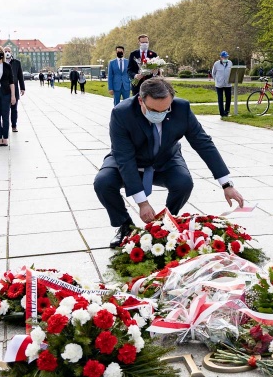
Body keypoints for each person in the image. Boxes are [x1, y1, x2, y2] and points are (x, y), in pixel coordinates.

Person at [94, 77, 244, 248]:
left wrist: (226, 184)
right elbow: (125, 159)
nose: (159, 115)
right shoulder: (122, 113)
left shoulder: (182, 108)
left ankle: (165, 223)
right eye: (153, 110)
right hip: (129, 160)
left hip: (165, 158)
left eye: (165, 110)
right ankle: (126, 227)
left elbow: (203, 143)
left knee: (183, 183)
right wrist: (142, 203)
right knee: (103, 182)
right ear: (140, 100)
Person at [3, 46, 25, 133]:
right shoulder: (0, 63)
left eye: (8, 51)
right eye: (5, 51)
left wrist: (22, 88)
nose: (7, 52)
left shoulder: (17, 63)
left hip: (14, 89)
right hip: (4, 89)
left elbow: (20, 76)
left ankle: (14, 126)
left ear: (11, 52)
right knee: (4, 110)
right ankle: (5, 126)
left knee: (14, 109)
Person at [212, 51, 233, 118]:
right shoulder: (216, 64)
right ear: (221, 57)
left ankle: (227, 111)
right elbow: (213, 73)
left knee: (228, 98)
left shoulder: (230, 63)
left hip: (228, 84)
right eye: (224, 57)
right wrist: (216, 80)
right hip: (219, 84)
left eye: (227, 57)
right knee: (220, 99)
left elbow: (232, 72)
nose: (225, 58)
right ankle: (222, 113)